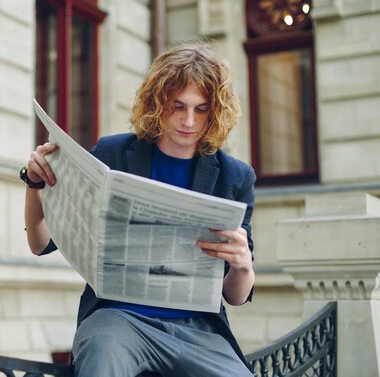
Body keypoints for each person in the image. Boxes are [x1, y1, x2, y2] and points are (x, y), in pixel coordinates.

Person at [21, 41, 256, 377]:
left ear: (216, 111)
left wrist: (243, 266)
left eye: (201, 109)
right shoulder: (112, 154)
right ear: (157, 102)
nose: (189, 121)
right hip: (118, 321)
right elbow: (40, 243)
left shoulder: (235, 177)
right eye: (178, 106)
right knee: (102, 363)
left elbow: (235, 296)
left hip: (198, 331)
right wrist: (34, 183)